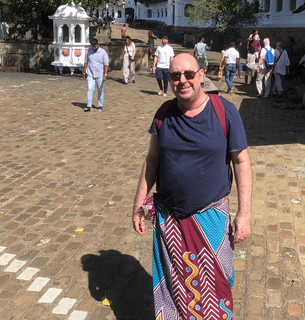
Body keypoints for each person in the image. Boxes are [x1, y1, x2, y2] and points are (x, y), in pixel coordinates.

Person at [132, 53, 252, 320]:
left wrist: (245, 213)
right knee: (174, 292)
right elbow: (152, 161)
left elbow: (241, 162)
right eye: (175, 76)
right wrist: (138, 205)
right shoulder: (163, 114)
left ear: (201, 75)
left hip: (210, 218)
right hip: (169, 220)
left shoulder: (225, 111)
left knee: (215, 289)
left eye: (188, 74)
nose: (181, 81)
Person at [82, 38, 109, 112]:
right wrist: (84, 72)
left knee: (100, 90)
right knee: (90, 89)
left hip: (99, 74)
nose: (94, 48)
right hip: (90, 73)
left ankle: (100, 105)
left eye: (95, 46)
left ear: (98, 44)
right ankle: (88, 106)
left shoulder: (103, 52)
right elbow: (85, 62)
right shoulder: (88, 51)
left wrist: (105, 74)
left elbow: (106, 64)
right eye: (93, 46)